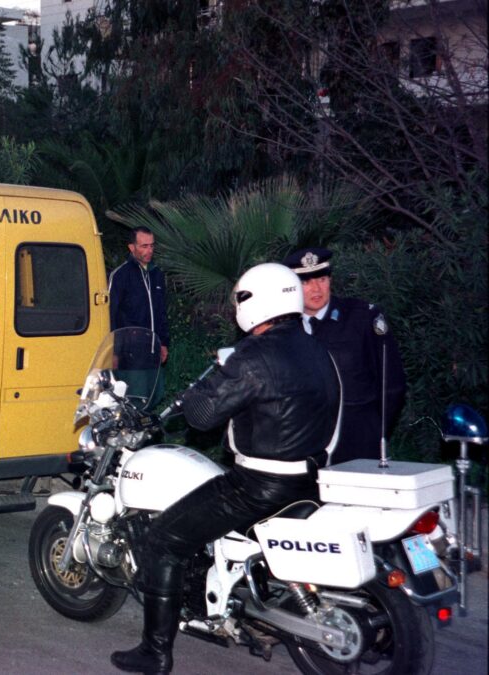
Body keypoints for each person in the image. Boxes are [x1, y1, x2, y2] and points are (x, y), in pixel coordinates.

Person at [110, 263, 340, 675]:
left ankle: (154, 652)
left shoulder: (253, 356)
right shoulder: (314, 346)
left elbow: (200, 416)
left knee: (164, 539)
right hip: (309, 478)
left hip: (259, 484)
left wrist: (206, 383)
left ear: (255, 301)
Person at [282, 247, 406, 463]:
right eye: (305, 282)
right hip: (303, 443)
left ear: (330, 279)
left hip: (357, 440)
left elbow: (391, 384)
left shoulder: (362, 318)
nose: (316, 288)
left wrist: (377, 432)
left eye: (321, 278)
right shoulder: (283, 328)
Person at [108, 227, 169, 407]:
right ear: (132, 247)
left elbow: (161, 312)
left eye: (151, 246)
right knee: (134, 401)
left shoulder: (156, 274)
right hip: (130, 354)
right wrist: (113, 352)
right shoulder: (120, 275)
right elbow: (110, 314)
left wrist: (164, 343)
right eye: (144, 246)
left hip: (153, 351)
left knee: (154, 397)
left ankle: (150, 435)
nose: (149, 251)